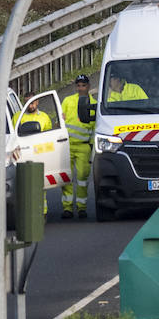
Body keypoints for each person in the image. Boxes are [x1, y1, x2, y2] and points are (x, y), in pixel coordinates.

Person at [60, 75, 96, 219]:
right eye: (79, 85)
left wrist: (93, 148)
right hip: (66, 145)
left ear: (88, 86)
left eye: (83, 85)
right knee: (67, 178)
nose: (81, 88)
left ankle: (81, 207)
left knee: (82, 178)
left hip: (83, 147)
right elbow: (61, 121)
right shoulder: (68, 101)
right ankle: (67, 208)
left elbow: (94, 129)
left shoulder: (93, 103)